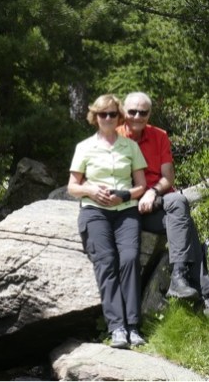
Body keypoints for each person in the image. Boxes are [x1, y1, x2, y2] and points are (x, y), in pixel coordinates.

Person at [119, 92, 209, 319]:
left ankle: (179, 277)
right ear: (123, 112)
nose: (137, 116)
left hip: (157, 201)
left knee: (178, 202)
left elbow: (167, 177)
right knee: (186, 224)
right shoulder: (114, 138)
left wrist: (152, 192)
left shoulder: (159, 136)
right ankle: (205, 296)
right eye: (132, 111)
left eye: (143, 112)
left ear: (149, 114)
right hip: (129, 207)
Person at [68, 94, 150, 349]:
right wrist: (91, 190)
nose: (107, 118)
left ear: (119, 117)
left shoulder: (130, 147)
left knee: (129, 259)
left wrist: (123, 195)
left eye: (113, 114)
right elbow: (72, 186)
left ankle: (133, 326)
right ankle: (117, 328)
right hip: (95, 212)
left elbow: (141, 185)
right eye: (102, 114)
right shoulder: (84, 147)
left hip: (125, 211)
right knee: (106, 262)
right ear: (95, 117)